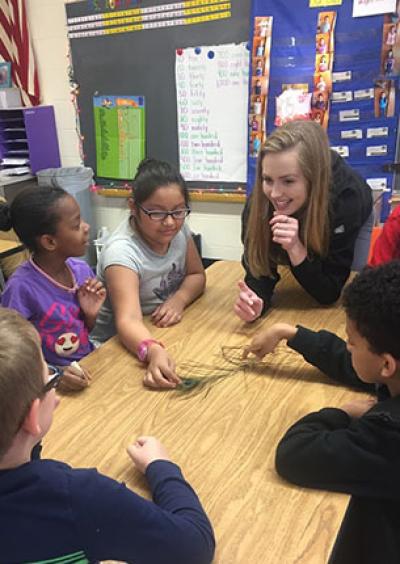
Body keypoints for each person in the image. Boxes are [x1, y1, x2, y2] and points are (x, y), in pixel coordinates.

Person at [0, 308, 215, 563]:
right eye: (51, 377)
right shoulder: (76, 499)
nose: (55, 392)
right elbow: (194, 547)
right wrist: (162, 467)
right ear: (31, 417)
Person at [249, 261, 400, 564]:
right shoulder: (390, 367)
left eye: (352, 341)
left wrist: (342, 413)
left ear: (386, 365)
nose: (347, 346)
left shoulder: (389, 435)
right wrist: (290, 333)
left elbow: (296, 454)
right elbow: (356, 366)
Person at [235, 120, 372, 322]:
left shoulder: (346, 198)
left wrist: (296, 249)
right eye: (268, 179)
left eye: (288, 181)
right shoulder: (260, 202)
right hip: (310, 210)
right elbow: (259, 273)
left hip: (344, 213)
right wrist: (256, 303)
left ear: (313, 178)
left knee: (350, 302)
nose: (274, 193)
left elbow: (329, 293)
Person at [91, 159, 205, 390]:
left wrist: (179, 300)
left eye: (178, 211)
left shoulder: (179, 228)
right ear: (134, 207)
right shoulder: (121, 253)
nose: (170, 222)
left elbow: (196, 275)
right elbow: (128, 320)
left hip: (162, 328)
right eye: (156, 213)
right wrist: (153, 350)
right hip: (117, 349)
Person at [0, 186, 105, 392]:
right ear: (49, 241)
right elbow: (12, 355)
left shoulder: (82, 272)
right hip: (45, 384)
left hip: (87, 366)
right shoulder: (21, 288)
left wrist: (90, 315)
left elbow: (81, 333)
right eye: (76, 225)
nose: (86, 227)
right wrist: (53, 374)